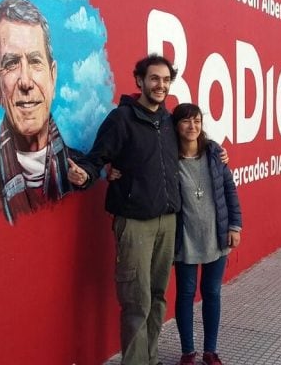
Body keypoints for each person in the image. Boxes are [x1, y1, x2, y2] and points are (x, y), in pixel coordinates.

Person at [71, 54, 183, 365]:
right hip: (134, 223)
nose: (160, 85)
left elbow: (194, 148)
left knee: (158, 297)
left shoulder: (169, 121)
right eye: (154, 79)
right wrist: (88, 174)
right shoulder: (121, 119)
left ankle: (151, 358)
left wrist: (218, 155)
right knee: (137, 302)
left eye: (165, 79)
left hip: (167, 220)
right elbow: (97, 157)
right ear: (140, 81)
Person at [0, 0, 88, 225]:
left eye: (35, 61)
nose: (25, 81)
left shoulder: (84, 170)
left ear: (52, 76)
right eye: (11, 63)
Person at [171, 103, 242, 365]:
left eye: (197, 121)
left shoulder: (213, 153)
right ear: (176, 126)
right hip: (185, 239)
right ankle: (188, 352)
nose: (192, 127)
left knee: (212, 292)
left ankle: (210, 351)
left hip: (216, 235)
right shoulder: (169, 157)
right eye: (186, 121)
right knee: (186, 295)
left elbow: (229, 190)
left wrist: (235, 226)